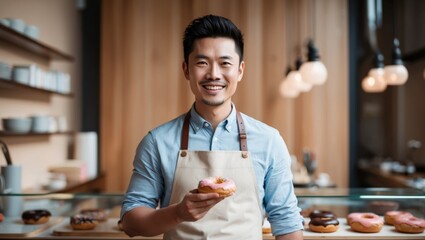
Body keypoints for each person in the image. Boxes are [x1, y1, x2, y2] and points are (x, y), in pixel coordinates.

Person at [120, 14, 304, 240]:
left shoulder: (269, 140)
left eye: (225, 63)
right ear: (186, 70)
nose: (214, 74)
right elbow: (130, 221)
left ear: (240, 70)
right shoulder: (157, 142)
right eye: (202, 62)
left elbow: (286, 222)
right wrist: (177, 213)